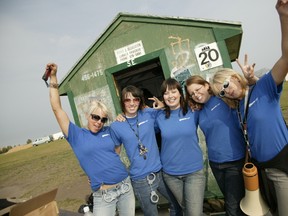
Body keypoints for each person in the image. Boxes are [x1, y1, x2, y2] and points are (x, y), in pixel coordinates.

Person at [210, 1, 288, 215]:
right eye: (221, 93)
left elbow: (286, 56)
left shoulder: (263, 88)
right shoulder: (236, 108)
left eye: (226, 85)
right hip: (260, 170)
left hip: (282, 165)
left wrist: (283, 16)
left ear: (234, 77)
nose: (227, 91)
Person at [46, 63, 135, 216]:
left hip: (125, 186)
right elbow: (57, 108)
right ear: (87, 116)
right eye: (95, 117)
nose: (99, 122)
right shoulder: (76, 135)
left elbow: (116, 151)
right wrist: (53, 78)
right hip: (103, 195)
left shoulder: (109, 131)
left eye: (103, 119)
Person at [109, 85, 182, 216]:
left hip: (160, 172)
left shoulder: (148, 113)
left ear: (140, 101)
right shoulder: (116, 126)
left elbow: (171, 114)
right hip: (140, 179)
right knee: (151, 213)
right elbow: (115, 153)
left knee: (177, 204)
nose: (132, 103)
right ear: (122, 103)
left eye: (135, 99)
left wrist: (162, 105)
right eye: (127, 100)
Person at [185, 75, 246, 216]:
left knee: (233, 208)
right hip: (216, 164)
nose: (196, 95)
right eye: (192, 94)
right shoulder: (199, 111)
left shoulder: (223, 99)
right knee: (235, 205)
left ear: (207, 85)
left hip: (234, 162)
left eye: (198, 89)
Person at [155, 78, 205, 216]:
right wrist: (122, 117)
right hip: (171, 174)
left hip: (193, 172)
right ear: (162, 97)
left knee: (194, 212)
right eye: (166, 93)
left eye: (173, 91)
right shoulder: (159, 117)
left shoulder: (193, 110)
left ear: (180, 93)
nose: (170, 96)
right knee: (186, 209)